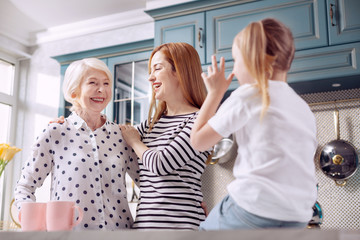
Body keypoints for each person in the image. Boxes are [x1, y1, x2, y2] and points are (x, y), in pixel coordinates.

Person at [190, 18, 317, 230]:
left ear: (254, 59)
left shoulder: (249, 95)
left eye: (236, 61)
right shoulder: (303, 107)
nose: (235, 71)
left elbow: (198, 142)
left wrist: (215, 93)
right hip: (298, 216)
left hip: (254, 207)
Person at [14, 58, 139, 230]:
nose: (101, 90)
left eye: (106, 83)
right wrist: (37, 226)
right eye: (93, 83)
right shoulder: (55, 132)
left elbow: (149, 184)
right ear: (74, 92)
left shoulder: (122, 136)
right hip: (71, 236)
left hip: (120, 234)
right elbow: (24, 187)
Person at [119, 42, 211, 230]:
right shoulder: (152, 124)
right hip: (144, 228)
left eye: (157, 68)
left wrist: (135, 141)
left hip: (181, 229)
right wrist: (70, 124)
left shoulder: (201, 121)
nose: (150, 77)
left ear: (180, 71)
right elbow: (111, 138)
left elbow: (162, 163)